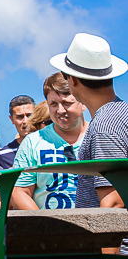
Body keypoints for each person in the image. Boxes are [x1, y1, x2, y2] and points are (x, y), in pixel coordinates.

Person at [49, 33, 128, 217]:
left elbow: (113, 202)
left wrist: (103, 246)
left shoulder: (105, 127)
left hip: (116, 244)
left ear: (73, 80)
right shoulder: (120, 114)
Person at [11, 72, 88, 210]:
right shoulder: (32, 142)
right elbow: (19, 192)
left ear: (83, 103)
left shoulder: (100, 137)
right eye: (53, 104)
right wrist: (44, 225)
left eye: (67, 103)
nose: (60, 110)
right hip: (49, 228)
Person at [0, 96, 36, 169]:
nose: (25, 121)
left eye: (29, 116)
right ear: (11, 119)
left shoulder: (49, 147)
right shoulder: (4, 155)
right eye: (20, 117)